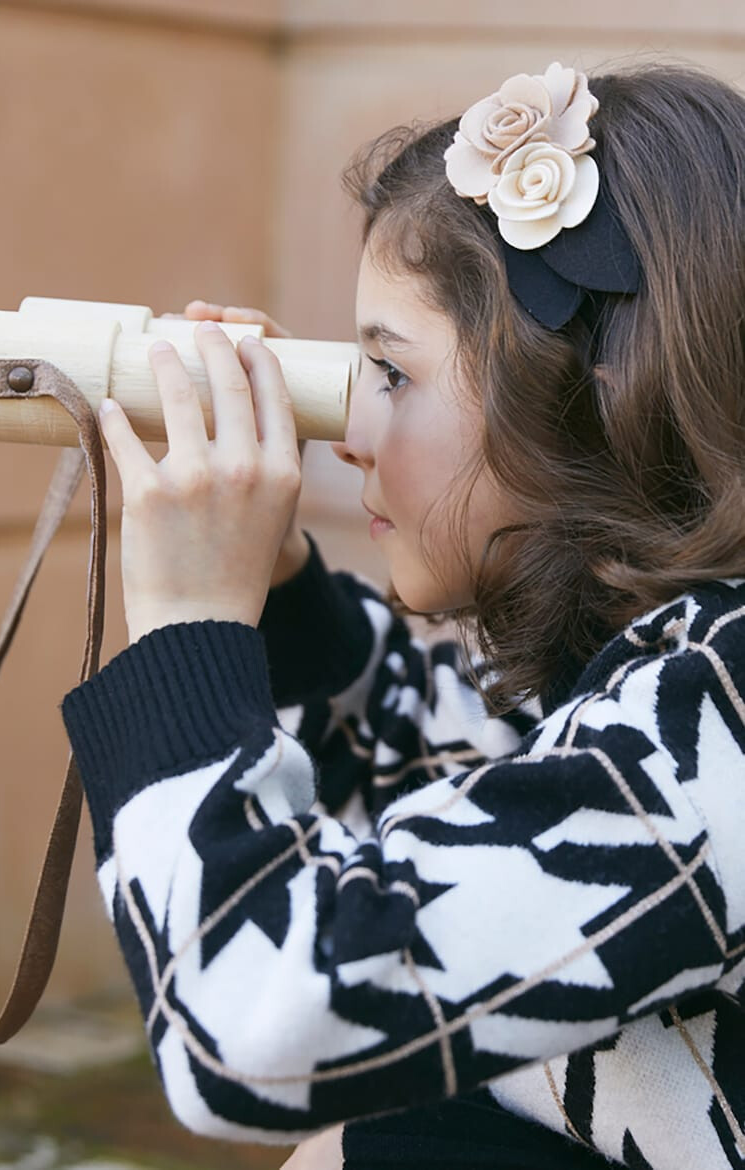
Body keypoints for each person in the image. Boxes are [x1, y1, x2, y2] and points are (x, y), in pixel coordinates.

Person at [62, 60, 745, 1170]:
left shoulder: (719, 714)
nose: (348, 438)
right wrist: (278, 586)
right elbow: (450, 772)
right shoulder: (665, 650)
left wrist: (191, 628)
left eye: (388, 373)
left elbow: (261, 1028)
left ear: (584, 392)